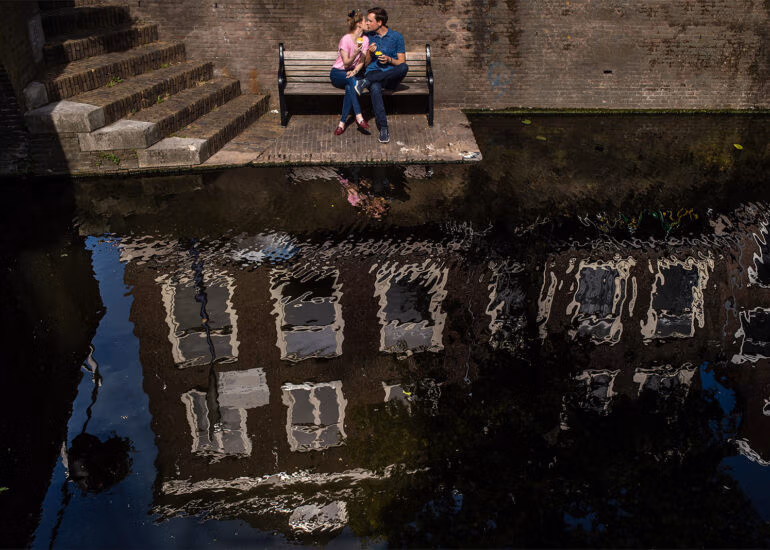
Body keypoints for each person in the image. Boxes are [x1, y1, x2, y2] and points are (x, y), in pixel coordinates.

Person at [354, 7, 408, 144]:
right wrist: (369, 52)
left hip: (390, 76)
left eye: (370, 20)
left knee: (404, 67)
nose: (367, 23)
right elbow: (366, 64)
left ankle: (365, 82)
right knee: (375, 88)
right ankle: (383, 127)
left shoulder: (396, 37)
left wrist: (389, 60)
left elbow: (401, 62)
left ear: (379, 22)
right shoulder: (368, 37)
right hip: (375, 72)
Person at [329, 10, 371, 135]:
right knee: (353, 81)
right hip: (338, 73)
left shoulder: (365, 39)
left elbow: (361, 61)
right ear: (359, 24)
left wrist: (355, 71)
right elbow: (346, 63)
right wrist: (355, 53)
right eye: (365, 21)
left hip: (351, 74)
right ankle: (359, 116)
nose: (367, 23)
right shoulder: (345, 39)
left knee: (350, 87)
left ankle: (341, 123)